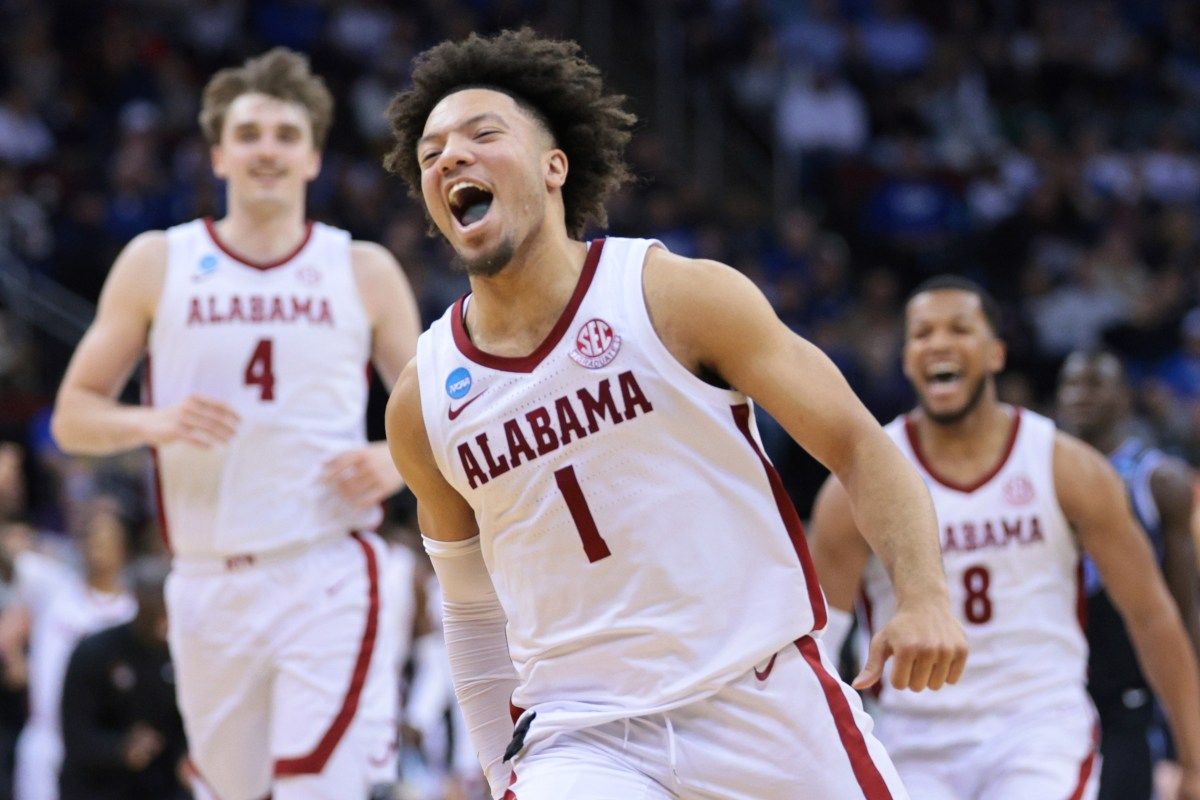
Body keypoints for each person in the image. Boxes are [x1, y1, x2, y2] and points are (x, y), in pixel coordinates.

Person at [383, 29, 966, 800]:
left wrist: (923, 595)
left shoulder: (674, 296)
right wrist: (501, 771)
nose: (450, 156)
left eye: (483, 134)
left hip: (760, 698)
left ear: (555, 165)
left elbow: (859, 445)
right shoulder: (423, 401)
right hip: (581, 738)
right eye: (431, 153)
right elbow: (469, 608)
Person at [50, 48, 422, 800]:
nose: (266, 150)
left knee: (316, 785)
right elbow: (72, 418)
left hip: (325, 566)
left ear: (313, 156)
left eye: (286, 134)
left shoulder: (363, 269)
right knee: (231, 790)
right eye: (249, 133)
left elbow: (444, 412)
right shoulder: (160, 262)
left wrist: (395, 459)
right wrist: (156, 421)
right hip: (204, 579)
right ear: (218, 152)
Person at [809, 275, 1200, 800]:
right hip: (910, 738)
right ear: (907, 360)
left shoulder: (1065, 466)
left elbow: (1152, 616)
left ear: (995, 353)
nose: (939, 343)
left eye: (959, 329)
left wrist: (1194, 757)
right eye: (922, 333)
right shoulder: (860, 481)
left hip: (1039, 729)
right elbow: (817, 642)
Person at [1057, 349, 1200, 800]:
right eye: (1072, 384)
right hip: (1053, 677)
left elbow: (1184, 604)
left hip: (1129, 683)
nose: (1081, 395)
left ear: (1124, 396)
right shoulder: (1039, 473)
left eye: (1095, 383)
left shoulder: (1161, 480)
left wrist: (1188, 722)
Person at [13, 503, 135, 800]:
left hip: (102, 750)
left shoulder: (131, 612)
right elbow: (12, 559)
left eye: (107, 538)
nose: (97, 545)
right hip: (47, 736)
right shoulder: (53, 588)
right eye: (91, 537)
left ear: (124, 548)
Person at [58, 557, 188, 800]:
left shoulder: (183, 655)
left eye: (170, 604)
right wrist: (120, 748)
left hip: (161, 787)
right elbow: (75, 735)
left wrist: (185, 757)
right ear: (137, 598)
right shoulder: (94, 652)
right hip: (98, 787)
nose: (164, 614)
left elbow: (187, 726)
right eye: (157, 603)